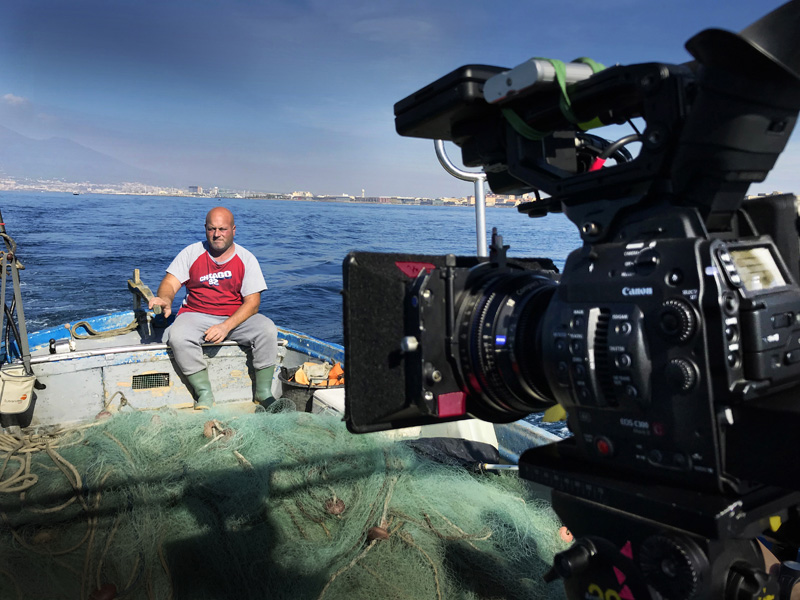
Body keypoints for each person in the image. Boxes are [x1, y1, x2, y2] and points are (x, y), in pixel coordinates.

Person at [149, 206, 278, 410]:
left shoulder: (246, 259)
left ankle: (263, 393)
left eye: (222, 229)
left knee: (267, 329)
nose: (217, 234)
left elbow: (252, 303)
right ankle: (204, 393)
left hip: (234, 317)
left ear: (233, 230)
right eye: (211, 229)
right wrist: (165, 299)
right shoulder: (191, 253)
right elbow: (170, 283)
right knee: (178, 336)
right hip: (196, 314)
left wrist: (225, 327)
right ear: (205, 229)